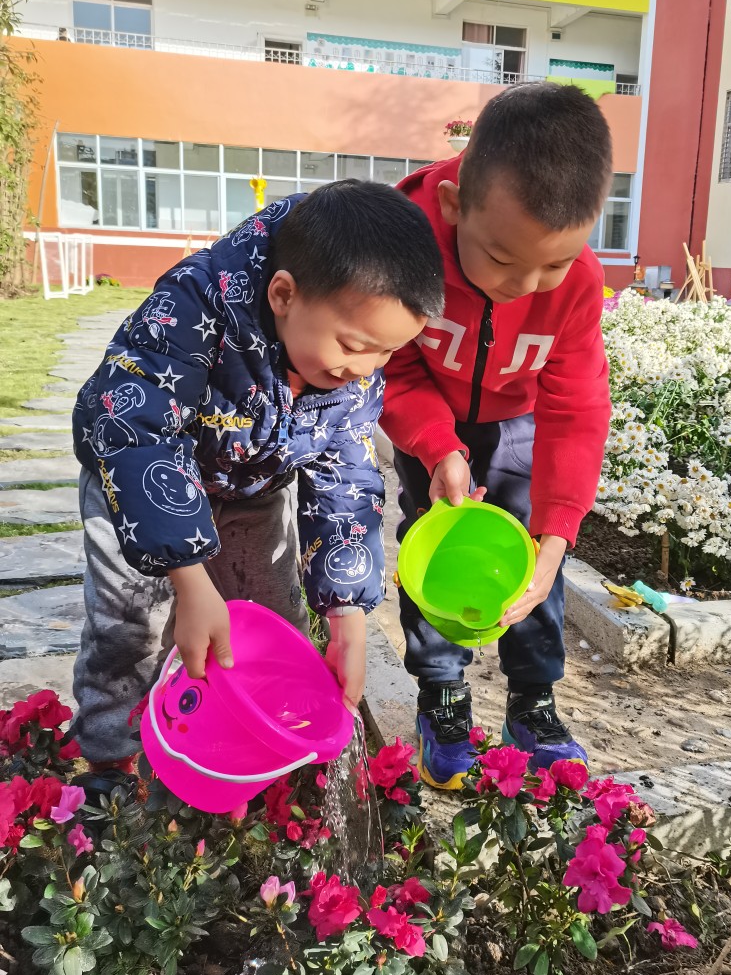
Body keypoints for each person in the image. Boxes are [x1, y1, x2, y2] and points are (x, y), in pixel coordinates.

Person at [70, 180, 443, 792]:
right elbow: (137, 431)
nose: (364, 370)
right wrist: (190, 581)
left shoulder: (350, 368)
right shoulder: (193, 304)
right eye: (354, 347)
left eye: (386, 354)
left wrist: (347, 616)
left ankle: (249, 749)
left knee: (270, 625)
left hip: (251, 486)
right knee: (131, 628)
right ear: (284, 295)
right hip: (136, 486)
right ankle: (113, 765)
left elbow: (346, 479)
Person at [382, 82, 613, 789]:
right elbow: (390, 362)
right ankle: (442, 697)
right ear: (456, 206)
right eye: (504, 259)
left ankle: (533, 701)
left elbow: (576, 406)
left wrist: (558, 533)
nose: (529, 285)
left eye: (555, 263)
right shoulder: (403, 242)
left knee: (531, 556)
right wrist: (437, 445)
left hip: (520, 421)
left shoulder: (576, 284)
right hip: (428, 418)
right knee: (436, 546)